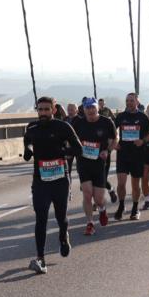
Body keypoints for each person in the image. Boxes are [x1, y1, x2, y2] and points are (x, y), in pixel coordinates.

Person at [23, 97, 82, 274]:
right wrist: (28, 150)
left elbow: (78, 149)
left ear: (54, 110)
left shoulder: (63, 127)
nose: (43, 113)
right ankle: (40, 258)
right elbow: (27, 141)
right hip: (40, 180)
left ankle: (63, 236)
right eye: (40, 109)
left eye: (46, 110)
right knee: (40, 219)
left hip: (60, 179)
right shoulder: (32, 127)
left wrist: (64, 152)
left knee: (60, 217)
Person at [73, 98, 116, 235]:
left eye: (93, 107)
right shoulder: (78, 122)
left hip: (100, 163)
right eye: (87, 108)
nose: (90, 110)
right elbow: (70, 139)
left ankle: (102, 210)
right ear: (83, 109)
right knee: (87, 193)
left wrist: (107, 151)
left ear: (97, 108)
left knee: (98, 199)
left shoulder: (106, 122)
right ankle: (90, 223)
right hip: (83, 162)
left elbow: (115, 138)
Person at [113, 93, 149, 220]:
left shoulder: (142, 117)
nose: (129, 103)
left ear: (137, 102)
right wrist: (115, 141)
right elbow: (114, 131)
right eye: (127, 101)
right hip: (123, 154)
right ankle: (121, 205)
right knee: (121, 183)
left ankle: (135, 208)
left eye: (131, 100)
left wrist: (142, 141)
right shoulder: (120, 116)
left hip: (137, 154)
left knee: (135, 185)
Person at [96, 98, 118, 203]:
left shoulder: (107, 120)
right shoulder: (87, 120)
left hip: (104, 153)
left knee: (102, 178)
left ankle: (111, 190)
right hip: (91, 155)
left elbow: (114, 120)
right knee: (93, 181)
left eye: (101, 104)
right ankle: (97, 202)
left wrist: (108, 150)